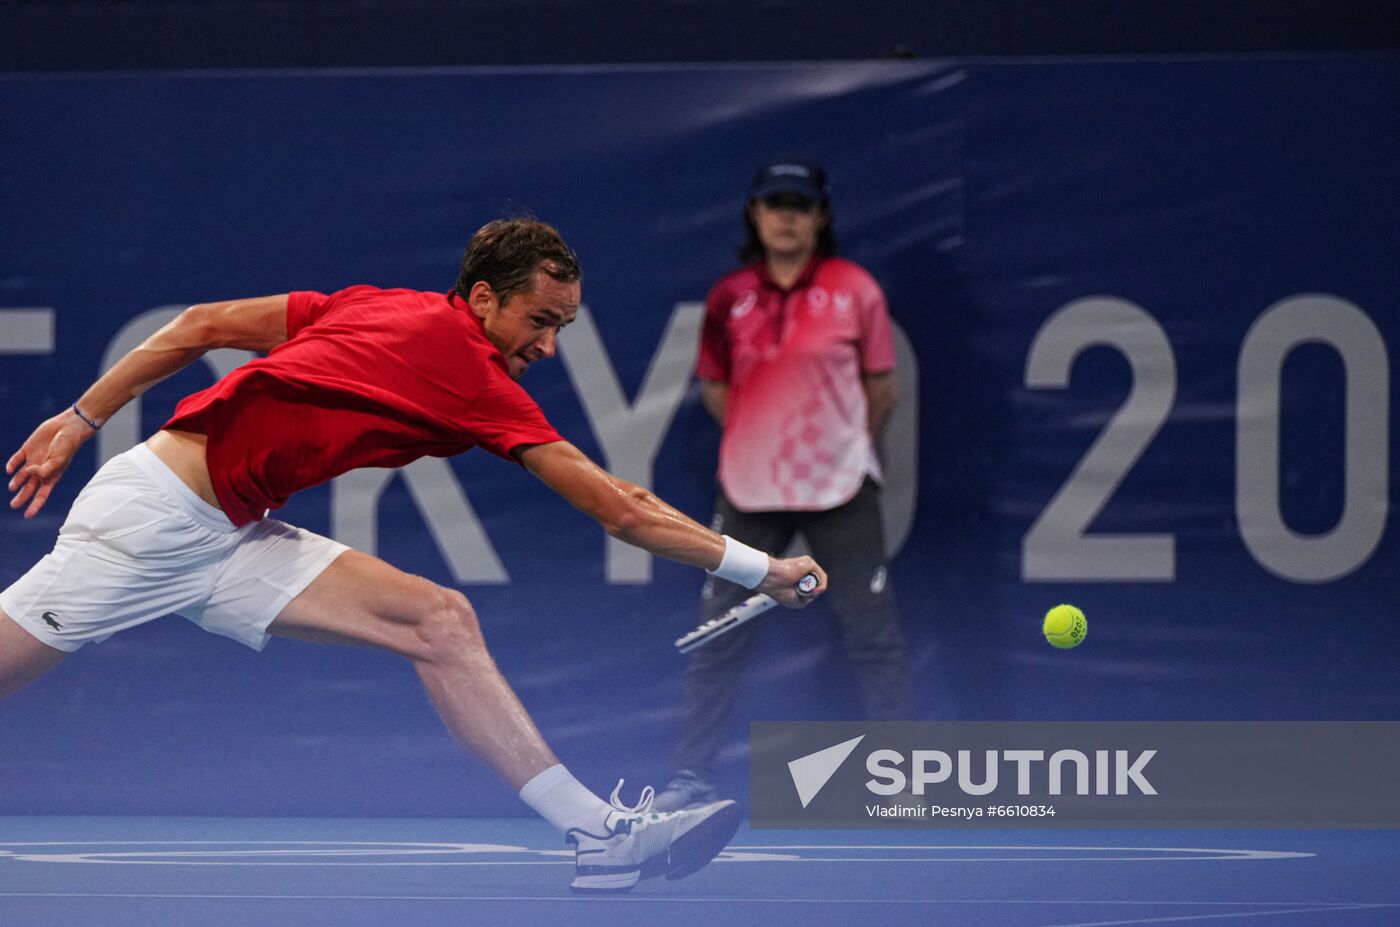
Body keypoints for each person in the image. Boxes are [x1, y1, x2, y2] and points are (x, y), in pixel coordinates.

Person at [1, 218, 826, 894]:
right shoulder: (467, 370)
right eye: (539, 322)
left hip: (229, 532)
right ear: (481, 299)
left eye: (563, 328)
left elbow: (199, 325)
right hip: (147, 527)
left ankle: (600, 836)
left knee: (437, 619)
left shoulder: (376, 304)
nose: (548, 346)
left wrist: (81, 415)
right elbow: (620, 509)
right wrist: (762, 567)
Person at [653, 160, 914, 811]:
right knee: (719, 633)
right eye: (775, 203)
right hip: (749, 490)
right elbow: (718, 390)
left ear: (821, 216)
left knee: (871, 632)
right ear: (755, 214)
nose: (788, 216)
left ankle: (905, 778)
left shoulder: (857, 290)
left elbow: (882, 390)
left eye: (800, 204)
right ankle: (691, 774)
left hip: (842, 488)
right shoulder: (728, 298)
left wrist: (838, 443)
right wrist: (763, 437)